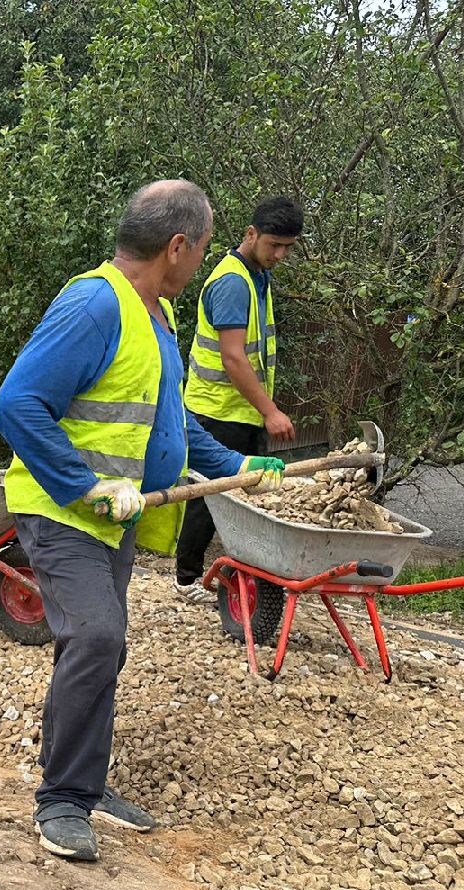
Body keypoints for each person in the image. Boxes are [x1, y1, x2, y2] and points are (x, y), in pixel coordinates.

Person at [0, 180, 285, 862]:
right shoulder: (96, 304)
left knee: (102, 645)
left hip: (114, 519)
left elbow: (170, 423)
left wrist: (238, 464)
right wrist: (84, 487)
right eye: (203, 248)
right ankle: (62, 800)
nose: (205, 261)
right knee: (96, 635)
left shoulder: (157, 313)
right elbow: (17, 405)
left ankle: (84, 784)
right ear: (177, 246)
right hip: (63, 512)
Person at [174, 197, 304, 602]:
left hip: (239, 410)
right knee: (210, 495)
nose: (280, 255)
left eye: (287, 247)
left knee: (241, 494)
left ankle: (243, 579)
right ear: (251, 234)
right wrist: (271, 411)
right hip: (216, 409)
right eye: (273, 245)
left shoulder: (256, 276)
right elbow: (233, 357)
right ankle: (186, 579)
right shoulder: (233, 282)